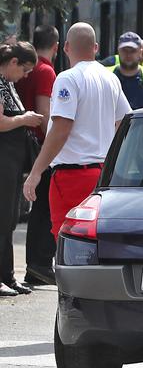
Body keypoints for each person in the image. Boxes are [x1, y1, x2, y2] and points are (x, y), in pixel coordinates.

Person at [22, 23, 131, 244]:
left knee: (67, 244)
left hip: (71, 176)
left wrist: (36, 172)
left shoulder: (67, 78)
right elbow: (125, 123)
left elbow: (61, 128)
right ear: (96, 47)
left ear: (66, 48)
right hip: (103, 176)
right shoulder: (111, 79)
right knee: (98, 244)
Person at [14, 25, 58, 286]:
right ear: (55, 45)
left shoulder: (29, 69)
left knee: (36, 207)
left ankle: (36, 265)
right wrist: (53, 146)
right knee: (44, 206)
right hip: (39, 147)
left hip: (21, 145)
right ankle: (40, 264)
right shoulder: (45, 71)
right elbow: (44, 115)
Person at [0, 42, 44, 296]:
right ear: (13, 62)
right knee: (2, 217)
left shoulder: (9, 84)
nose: (26, 76)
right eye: (25, 70)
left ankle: (8, 275)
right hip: (4, 160)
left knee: (9, 219)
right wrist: (25, 118)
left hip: (12, 161)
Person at [108, 31, 143, 110]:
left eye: (132, 51)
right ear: (118, 51)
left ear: (140, 52)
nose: (128, 54)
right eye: (124, 50)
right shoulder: (106, 76)